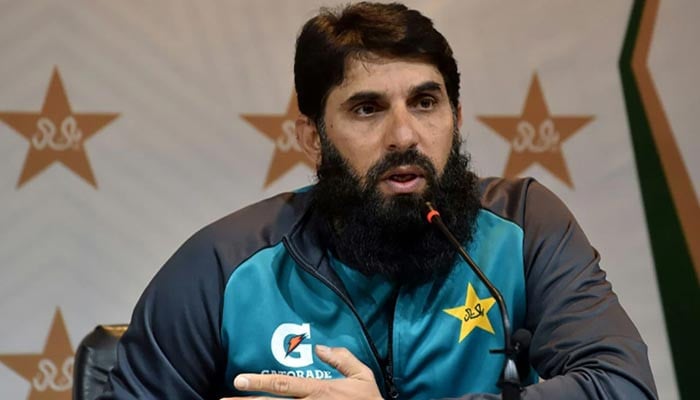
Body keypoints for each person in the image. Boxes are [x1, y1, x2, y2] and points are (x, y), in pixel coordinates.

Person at [100, 2, 657, 399]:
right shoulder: (224, 267)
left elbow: (622, 385)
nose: (404, 136)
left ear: (457, 119)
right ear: (314, 137)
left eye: (425, 103)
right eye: (367, 109)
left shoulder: (524, 227)